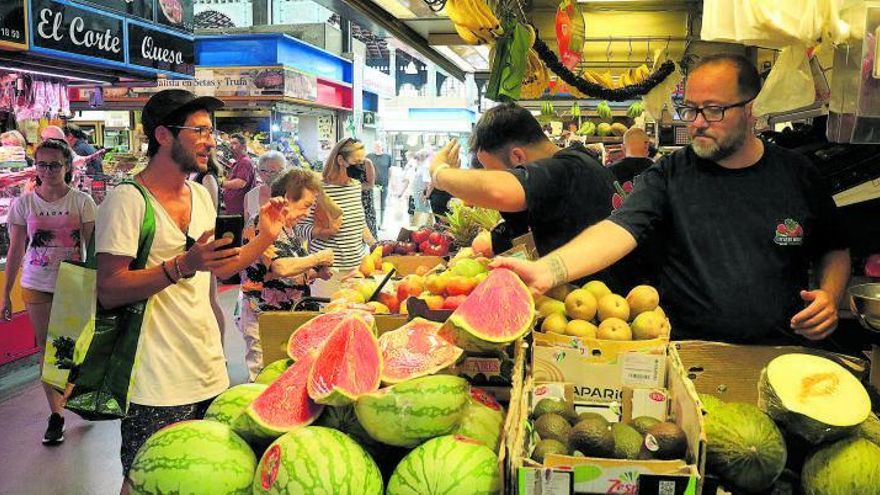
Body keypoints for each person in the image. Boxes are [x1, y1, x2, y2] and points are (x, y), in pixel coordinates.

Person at [492, 54, 851, 345]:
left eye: (713, 110)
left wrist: (830, 297)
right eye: (689, 109)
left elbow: (834, 247)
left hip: (781, 351)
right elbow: (618, 230)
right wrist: (548, 270)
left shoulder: (798, 174)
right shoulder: (669, 174)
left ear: (750, 110)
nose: (696, 123)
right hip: (688, 352)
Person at [94, 89, 288, 489]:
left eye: (211, 130)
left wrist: (264, 238)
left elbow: (218, 267)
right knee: (148, 481)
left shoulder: (201, 194)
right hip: (155, 380)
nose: (210, 140)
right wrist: (183, 264)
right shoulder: (127, 201)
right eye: (198, 130)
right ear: (163, 135)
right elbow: (109, 289)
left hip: (210, 372)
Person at [428, 102, 634, 290]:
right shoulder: (577, 163)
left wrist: (439, 173)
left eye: (494, 172)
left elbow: (498, 192)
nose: (491, 177)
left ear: (518, 157)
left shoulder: (564, 169)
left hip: (602, 307)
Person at [1, 139, 97, 445]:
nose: (48, 170)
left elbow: (93, 250)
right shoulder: (25, 204)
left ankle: (71, 394)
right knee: (46, 349)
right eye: (41, 164)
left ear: (67, 166)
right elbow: (17, 249)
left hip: (74, 282)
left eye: (54, 164)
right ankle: (56, 414)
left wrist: (100, 286)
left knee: (69, 348)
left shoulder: (82, 202)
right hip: (36, 282)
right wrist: (6, 294)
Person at [238, 169, 334, 380]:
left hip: (285, 315)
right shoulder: (261, 223)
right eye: (306, 205)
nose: (308, 213)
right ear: (288, 198)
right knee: (264, 378)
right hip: (265, 319)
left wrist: (315, 273)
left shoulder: (288, 229)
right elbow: (280, 267)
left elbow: (291, 271)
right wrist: (317, 258)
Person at [298, 138, 376, 272]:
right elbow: (300, 228)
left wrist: (374, 245)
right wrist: (324, 232)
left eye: (362, 162)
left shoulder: (355, 186)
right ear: (340, 160)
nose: (361, 167)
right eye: (356, 162)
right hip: (327, 271)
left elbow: (360, 223)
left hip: (357, 267)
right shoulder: (317, 189)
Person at [193, 155, 227, 345]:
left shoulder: (207, 177)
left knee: (211, 298)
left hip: (206, 240)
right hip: (198, 242)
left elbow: (211, 212)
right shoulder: (197, 176)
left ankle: (220, 347)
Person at [245, 150, 287, 222]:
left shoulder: (291, 195)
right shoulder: (250, 196)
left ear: (282, 172)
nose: (267, 174)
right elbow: (247, 226)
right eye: (263, 170)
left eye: (272, 171)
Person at [221, 133, 256, 216]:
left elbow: (240, 183)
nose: (231, 146)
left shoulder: (245, 162)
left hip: (240, 210)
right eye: (230, 144)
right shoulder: (238, 162)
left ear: (243, 146)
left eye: (235, 143)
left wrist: (220, 183)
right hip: (234, 209)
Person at [349, 155, 378, 237]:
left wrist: (351, 188)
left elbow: (370, 184)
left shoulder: (366, 162)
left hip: (365, 202)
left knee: (370, 233)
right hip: (350, 201)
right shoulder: (344, 163)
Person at [366, 142, 392, 223]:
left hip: (384, 184)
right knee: (372, 203)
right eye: (376, 146)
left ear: (382, 147)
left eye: (379, 146)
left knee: (382, 203)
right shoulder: (369, 156)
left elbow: (390, 169)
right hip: (371, 184)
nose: (377, 147)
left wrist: (390, 180)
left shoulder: (387, 157)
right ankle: (373, 221)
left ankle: (382, 222)